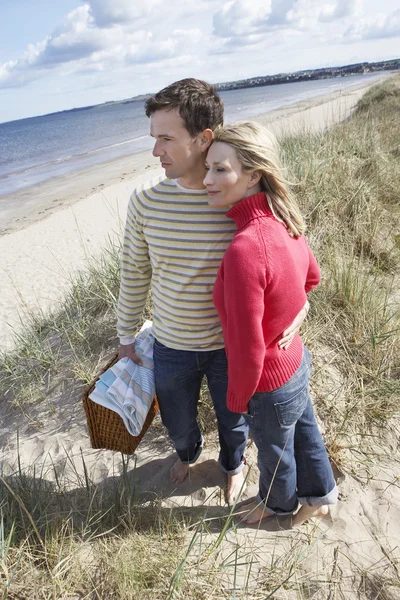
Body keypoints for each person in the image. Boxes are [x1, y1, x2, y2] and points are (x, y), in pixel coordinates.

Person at [116, 79, 308, 502]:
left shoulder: (230, 196)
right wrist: (126, 334)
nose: (155, 151)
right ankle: (186, 454)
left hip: (229, 347)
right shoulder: (145, 201)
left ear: (204, 139)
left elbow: (285, 255)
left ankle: (233, 463)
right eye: (154, 139)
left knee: (233, 416)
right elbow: (134, 272)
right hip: (171, 343)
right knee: (177, 418)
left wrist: (301, 308)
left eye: (166, 139)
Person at [203, 121, 338, 525]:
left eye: (220, 169)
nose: (208, 179)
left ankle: (278, 505)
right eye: (207, 168)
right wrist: (297, 309)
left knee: (274, 450)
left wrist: (237, 399)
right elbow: (310, 277)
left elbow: (246, 347)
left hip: (268, 381)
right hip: (296, 361)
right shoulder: (283, 220)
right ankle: (319, 495)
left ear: (253, 175)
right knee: (305, 432)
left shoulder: (245, 248)